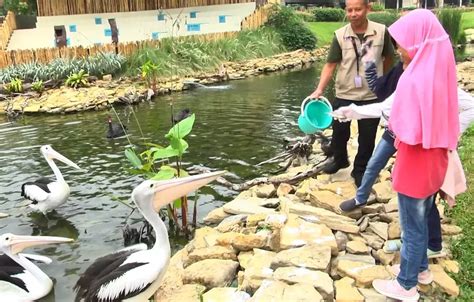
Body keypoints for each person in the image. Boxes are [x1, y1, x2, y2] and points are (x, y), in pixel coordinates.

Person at [333, 41, 474, 259]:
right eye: (397, 46)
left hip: (421, 145)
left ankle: (426, 250)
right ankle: (407, 238)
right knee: (383, 174)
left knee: (423, 199)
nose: (398, 51)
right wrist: (353, 110)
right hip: (396, 134)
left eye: (403, 47)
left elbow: (470, 107)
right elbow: (385, 102)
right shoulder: (405, 72)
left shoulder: (434, 80)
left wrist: (448, 133)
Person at [369, 9, 460, 301]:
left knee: (411, 227)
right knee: (421, 219)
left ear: (418, 42)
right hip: (435, 162)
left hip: (414, 163)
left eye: (401, 43)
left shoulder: (413, 79)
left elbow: (401, 128)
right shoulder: (441, 75)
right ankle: (422, 270)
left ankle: (406, 285)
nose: (397, 50)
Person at [309, 0, 394, 187]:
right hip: (344, 92)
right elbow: (330, 64)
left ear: (368, 9)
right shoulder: (340, 35)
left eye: (358, 9)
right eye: (350, 10)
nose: (354, 13)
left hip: (372, 95)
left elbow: (389, 57)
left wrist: (384, 82)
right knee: (339, 133)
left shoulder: (381, 31)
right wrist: (319, 89)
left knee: (367, 137)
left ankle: (360, 169)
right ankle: (340, 160)